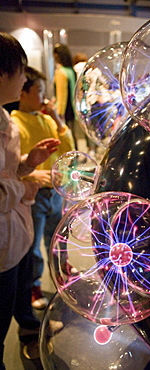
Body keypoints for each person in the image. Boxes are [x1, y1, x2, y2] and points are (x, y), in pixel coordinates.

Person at [0, 32, 60, 368]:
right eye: (21, 71)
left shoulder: (4, 117)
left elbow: (7, 170)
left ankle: (28, 328)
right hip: (3, 240)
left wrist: (28, 162)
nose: (25, 78)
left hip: (16, 233)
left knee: (20, 289)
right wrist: (27, 185)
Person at [11, 66, 75, 310]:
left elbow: (67, 148)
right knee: (33, 244)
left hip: (55, 191)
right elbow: (16, 164)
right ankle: (34, 286)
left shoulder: (46, 119)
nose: (43, 96)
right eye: (38, 91)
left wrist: (58, 119)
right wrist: (33, 174)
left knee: (58, 238)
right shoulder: (15, 123)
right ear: (23, 93)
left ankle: (62, 273)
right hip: (32, 194)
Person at [53, 43, 78, 148]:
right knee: (72, 133)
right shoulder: (71, 70)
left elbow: (61, 94)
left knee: (67, 133)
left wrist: (59, 112)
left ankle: (71, 156)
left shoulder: (61, 72)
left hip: (65, 108)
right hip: (72, 106)